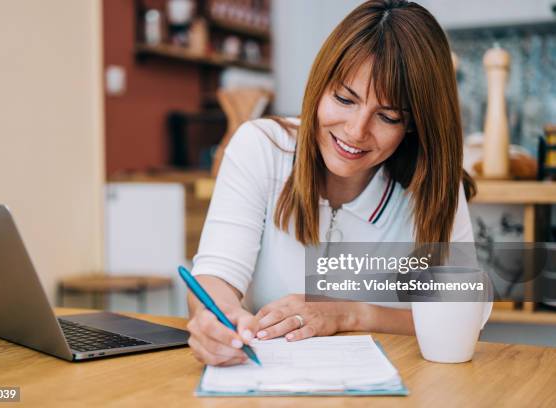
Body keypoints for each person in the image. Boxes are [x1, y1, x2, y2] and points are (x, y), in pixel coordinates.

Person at [187, 0, 478, 366]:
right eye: (344, 98)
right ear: (319, 85)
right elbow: (217, 276)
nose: (356, 132)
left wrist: (347, 313)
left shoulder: (434, 187)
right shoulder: (261, 147)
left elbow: (463, 320)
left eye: (387, 116)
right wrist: (216, 319)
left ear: (414, 124)